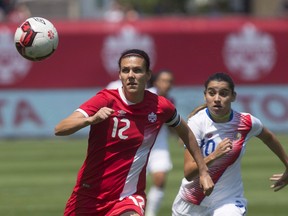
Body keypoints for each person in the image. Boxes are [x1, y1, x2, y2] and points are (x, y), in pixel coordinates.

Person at [55, 49, 214, 216]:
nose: (131, 75)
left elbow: (186, 133)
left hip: (127, 197)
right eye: (126, 70)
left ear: (147, 75)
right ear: (120, 75)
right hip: (88, 195)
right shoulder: (106, 99)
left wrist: (203, 171)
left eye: (137, 70)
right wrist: (90, 120)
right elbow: (61, 128)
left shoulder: (160, 106)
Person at [172, 72, 288, 216]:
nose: (217, 99)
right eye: (211, 93)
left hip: (228, 201)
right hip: (191, 202)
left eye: (223, 94)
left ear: (233, 96)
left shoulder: (246, 122)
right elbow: (189, 173)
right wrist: (215, 155)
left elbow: (269, 137)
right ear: (205, 95)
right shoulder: (197, 123)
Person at [145, 70, 175, 216]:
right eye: (164, 80)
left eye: (169, 81)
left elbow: (171, 124)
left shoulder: (170, 101)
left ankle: (150, 213)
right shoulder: (146, 96)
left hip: (159, 144)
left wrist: (180, 136)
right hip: (139, 145)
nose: (167, 84)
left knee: (160, 179)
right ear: (156, 82)